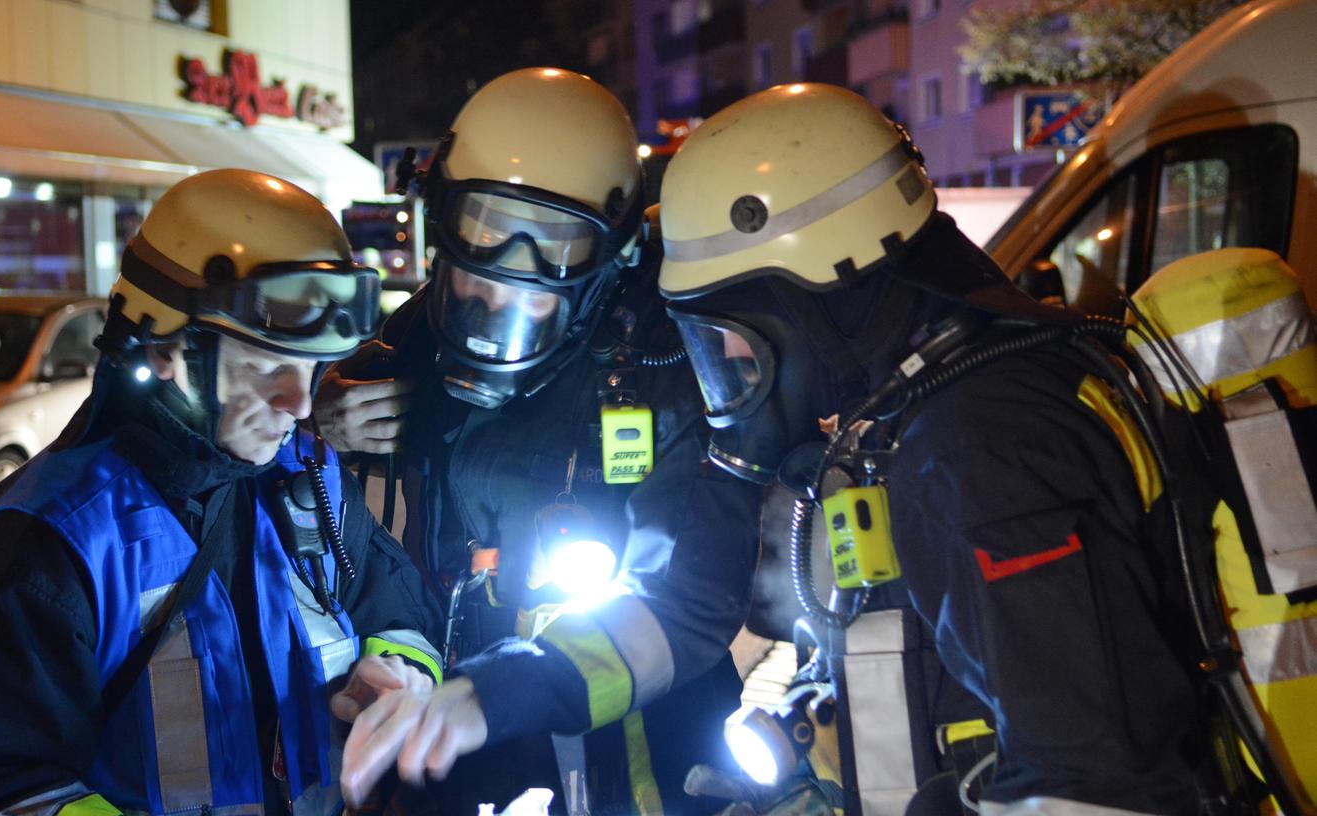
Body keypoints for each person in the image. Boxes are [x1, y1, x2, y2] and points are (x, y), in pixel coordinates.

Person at [654, 83, 1207, 814]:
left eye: (733, 329)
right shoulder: (950, 395)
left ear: (813, 293)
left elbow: (1092, 786)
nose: (728, 359)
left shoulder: (982, 445)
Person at [0, 169, 442, 816]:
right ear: (168, 350)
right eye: (268, 364)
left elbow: (402, 614)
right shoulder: (44, 543)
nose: (300, 404)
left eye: (311, 367)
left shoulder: (311, 482)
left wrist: (399, 678)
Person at [318, 68, 763, 814]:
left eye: (551, 250)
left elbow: (689, 605)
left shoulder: (669, 368)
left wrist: (490, 695)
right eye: (485, 238)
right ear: (444, 231)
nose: (500, 296)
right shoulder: (412, 343)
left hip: (641, 752)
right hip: (454, 740)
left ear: (610, 263)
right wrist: (321, 417)